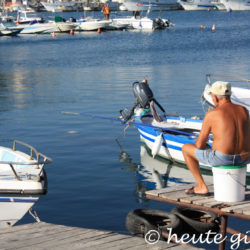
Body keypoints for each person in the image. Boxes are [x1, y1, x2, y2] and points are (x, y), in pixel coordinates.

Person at [182, 81, 250, 196]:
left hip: (223, 159)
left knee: (186, 148)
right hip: (245, 158)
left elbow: (199, 145)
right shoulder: (244, 110)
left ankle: (201, 186)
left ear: (215, 97)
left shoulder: (212, 114)